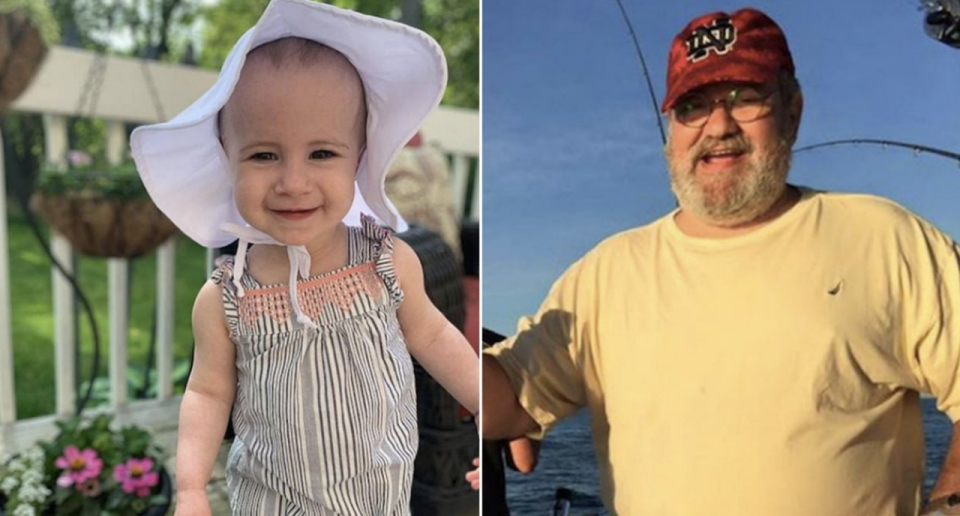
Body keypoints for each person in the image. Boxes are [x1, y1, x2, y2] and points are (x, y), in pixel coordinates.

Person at [482, 7, 960, 516]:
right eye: (692, 105)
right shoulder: (605, 274)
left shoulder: (885, 239)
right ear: (671, 129)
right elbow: (503, 406)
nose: (719, 125)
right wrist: (426, 317)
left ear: (792, 111)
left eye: (746, 98)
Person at [130, 1, 479, 514]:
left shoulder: (386, 264)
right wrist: (189, 489)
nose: (293, 182)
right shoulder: (226, 299)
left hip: (379, 497)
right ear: (228, 158)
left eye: (322, 154)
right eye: (264, 155)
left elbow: (432, 336)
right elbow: (206, 394)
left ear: (359, 157)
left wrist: (483, 407)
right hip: (272, 502)